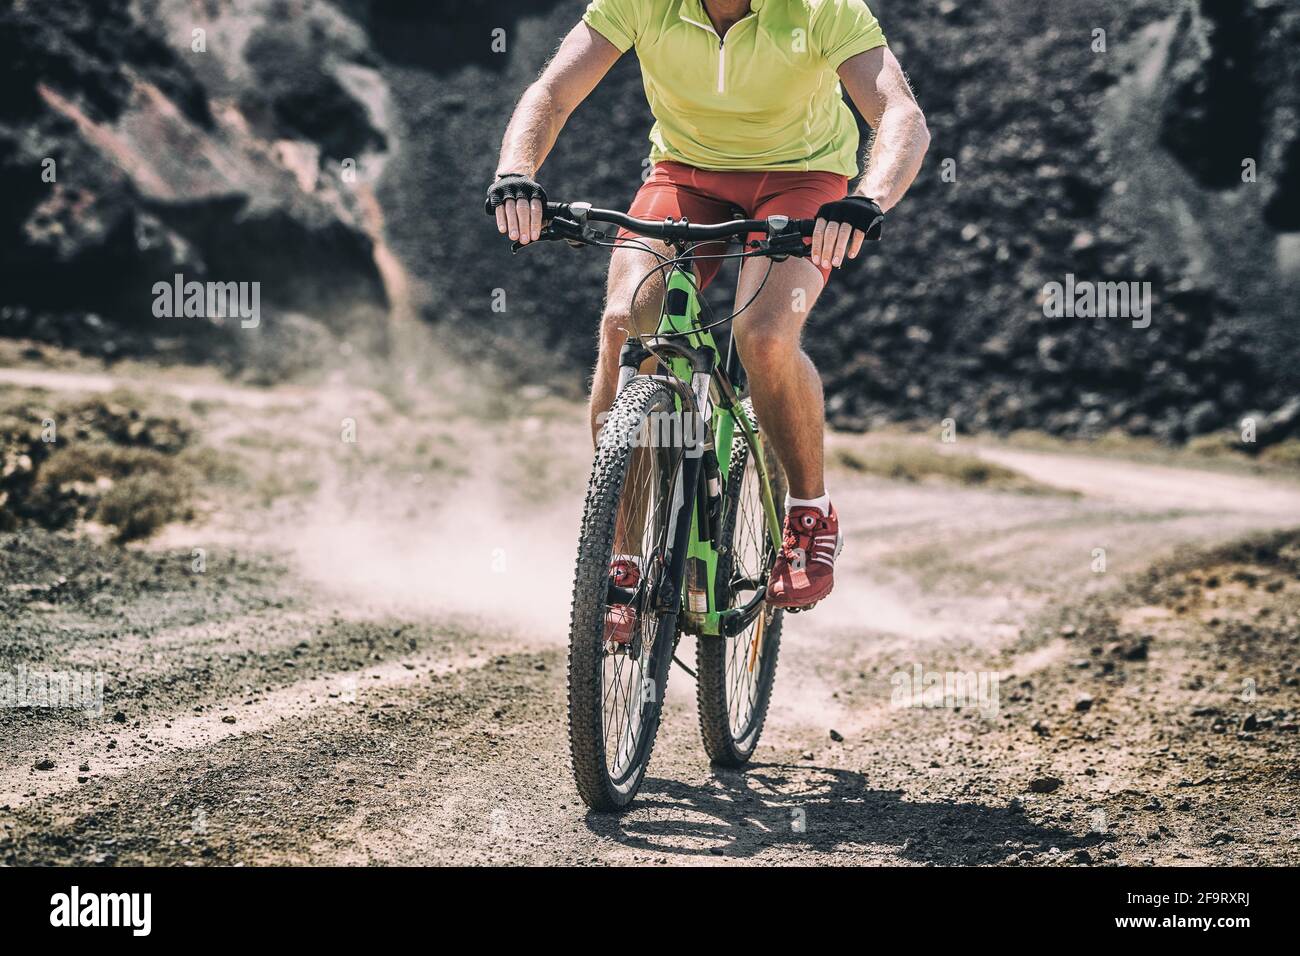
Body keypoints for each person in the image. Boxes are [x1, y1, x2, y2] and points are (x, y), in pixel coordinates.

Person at [486, 0, 929, 636]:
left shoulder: (822, 7)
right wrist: (515, 173)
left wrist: (868, 199)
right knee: (625, 322)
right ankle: (621, 557)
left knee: (764, 335)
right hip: (685, 177)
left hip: (804, 178)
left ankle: (809, 512)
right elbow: (552, 92)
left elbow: (900, 115)